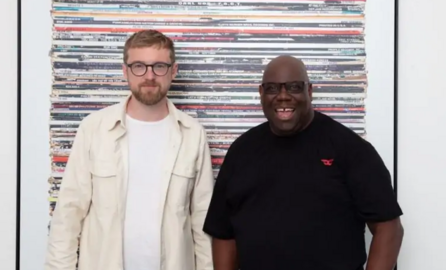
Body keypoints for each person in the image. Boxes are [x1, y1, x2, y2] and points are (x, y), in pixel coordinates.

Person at [203, 55, 404, 270]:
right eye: (272, 88)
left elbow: (389, 228)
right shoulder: (241, 151)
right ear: (261, 93)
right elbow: (224, 233)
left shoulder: (349, 148)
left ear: (309, 91)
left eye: (294, 87)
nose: (283, 97)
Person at [45, 30, 214, 270]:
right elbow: (68, 216)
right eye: (138, 66)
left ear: (173, 71)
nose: (149, 76)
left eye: (159, 66)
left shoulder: (193, 134)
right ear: (125, 71)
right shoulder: (94, 129)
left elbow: (203, 221)